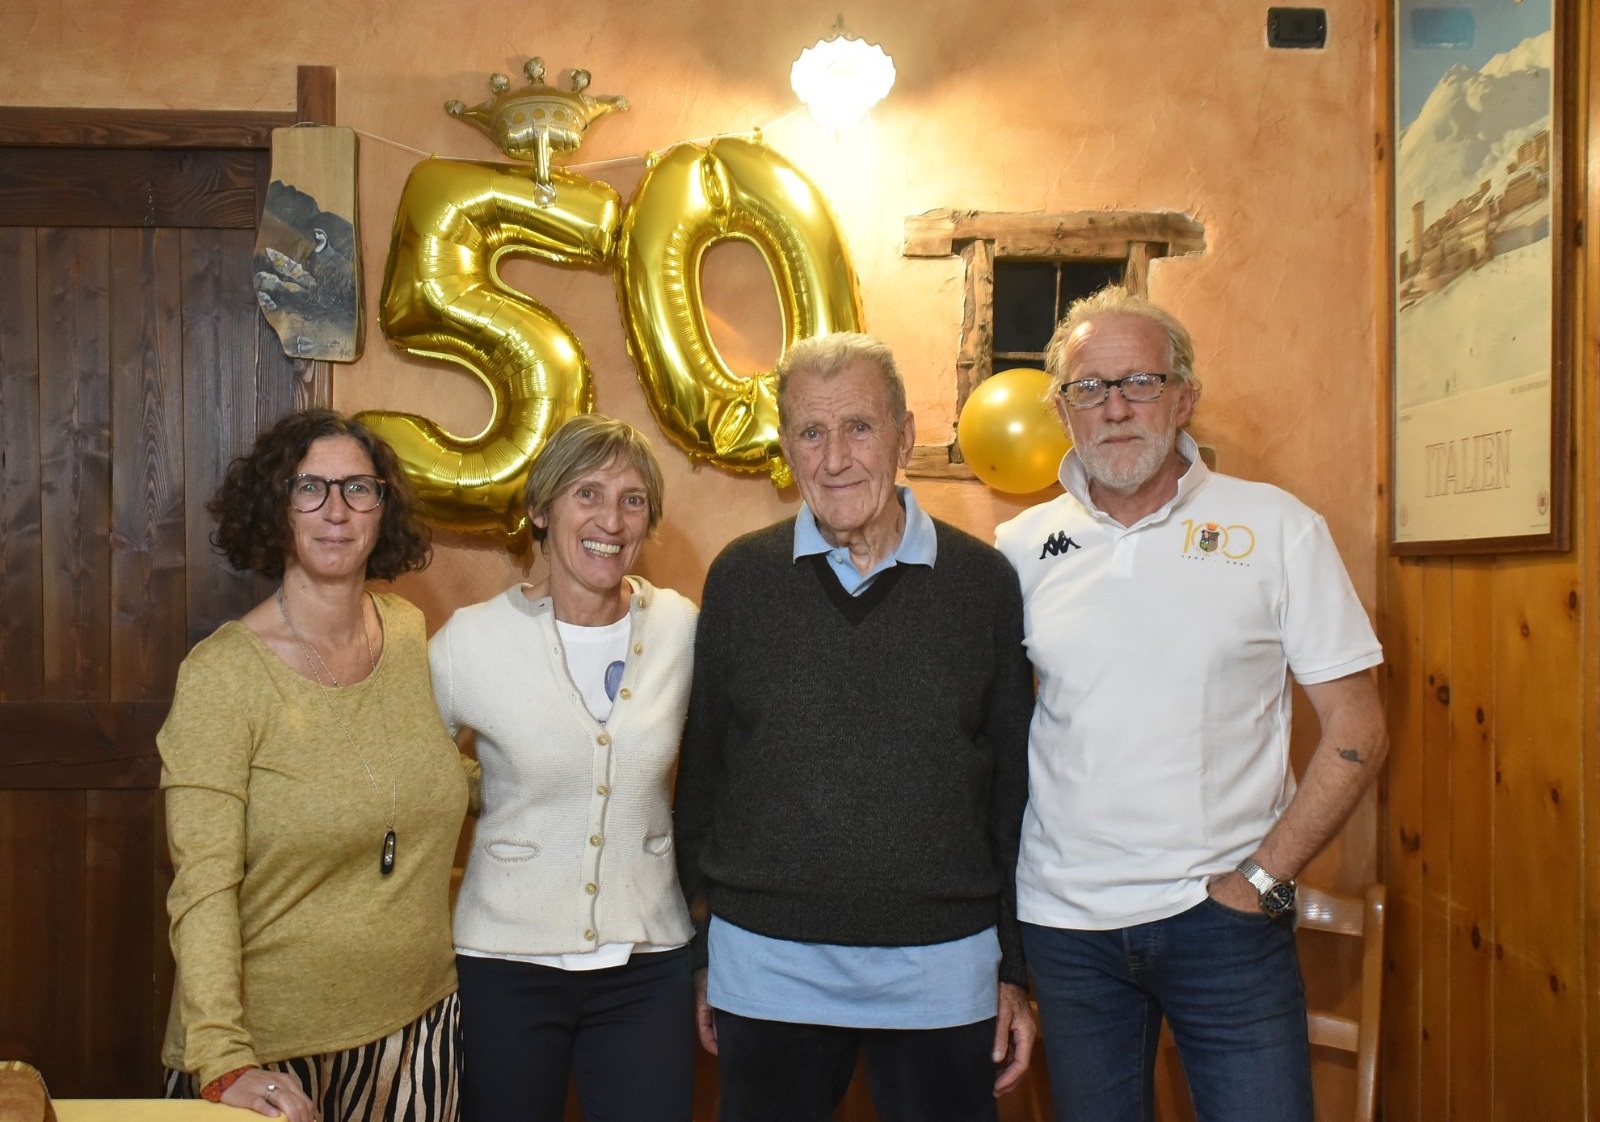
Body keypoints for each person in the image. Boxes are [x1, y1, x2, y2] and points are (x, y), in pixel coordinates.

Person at [993, 287, 1388, 1122]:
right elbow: (987, 743)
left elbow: (1359, 727)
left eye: (1141, 381)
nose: (1116, 408)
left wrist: (1263, 880)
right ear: (1062, 411)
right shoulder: (1019, 549)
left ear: (1185, 398)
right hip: (1065, 932)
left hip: (1225, 925)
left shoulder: (1277, 528)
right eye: (1090, 388)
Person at [673, 332, 1038, 1122]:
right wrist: (704, 952)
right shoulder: (740, 578)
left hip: (942, 967)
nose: (835, 458)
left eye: (859, 427)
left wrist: (1014, 968)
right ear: (786, 447)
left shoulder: (983, 585)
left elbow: (1013, 790)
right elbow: (702, 780)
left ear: (904, 435)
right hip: (766, 964)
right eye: (811, 431)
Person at [160, 409, 474, 1122]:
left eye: (358, 488)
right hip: (269, 1054)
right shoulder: (222, 676)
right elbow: (202, 885)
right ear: (276, 508)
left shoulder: (407, 632)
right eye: (310, 488)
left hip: (418, 1031)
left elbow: (427, 774)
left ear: (382, 509)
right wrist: (222, 1058)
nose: (336, 511)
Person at [430, 415, 698, 1122]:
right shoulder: (470, 642)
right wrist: (486, 790)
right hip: (504, 966)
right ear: (541, 510)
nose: (611, 520)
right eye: (587, 494)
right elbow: (411, 777)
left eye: (632, 500)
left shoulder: (681, 628)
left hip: (648, 964)